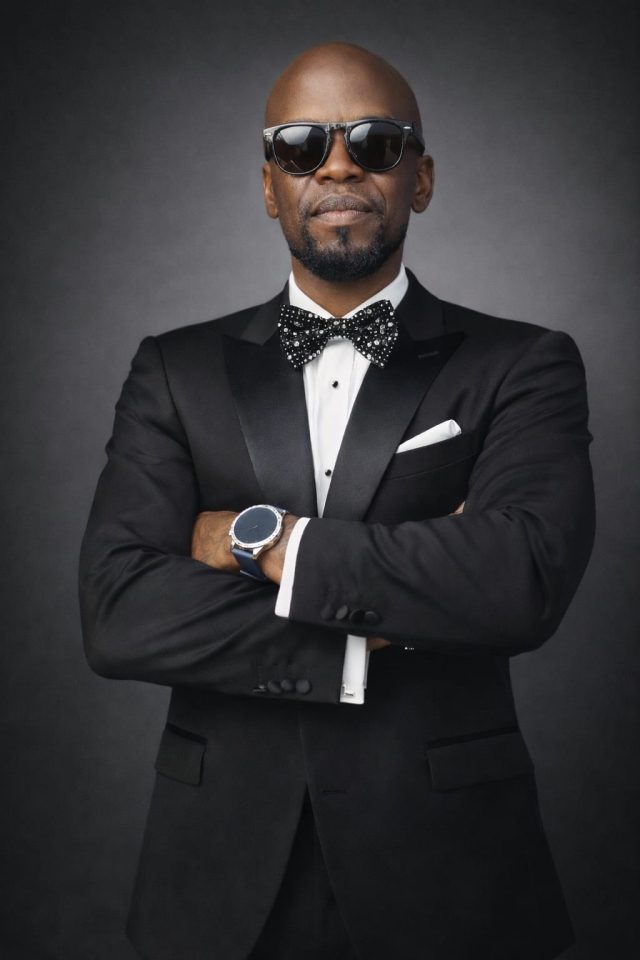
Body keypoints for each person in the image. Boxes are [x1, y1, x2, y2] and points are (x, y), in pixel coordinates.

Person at [79, 41, 595, 960]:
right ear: (269, 185)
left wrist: (268, 543)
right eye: (301, 145)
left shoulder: (524, 363)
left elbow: (516, 579)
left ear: (420, 178)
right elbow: (119, 614)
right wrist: (389, 615)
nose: (338, 165)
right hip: (219, 878)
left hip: (451, 874)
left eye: (375, 142)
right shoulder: (173, 370)